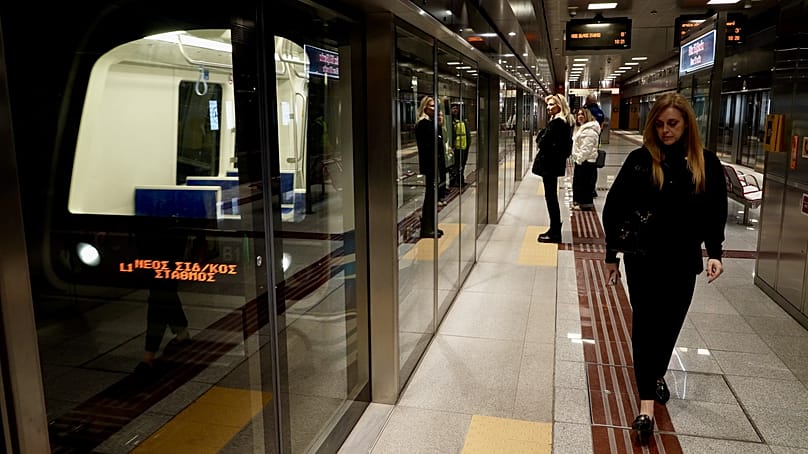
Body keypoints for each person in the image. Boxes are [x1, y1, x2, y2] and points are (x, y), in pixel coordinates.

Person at [602, 93, 727, 445]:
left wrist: (715, 252)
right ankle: (646, 406)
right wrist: (612, 255)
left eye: (672, 123)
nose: (665, 130)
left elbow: (714, 212)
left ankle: (655, 372)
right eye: (659, 124)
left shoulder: (706, 164)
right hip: (643, 259)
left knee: (669, 325)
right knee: (644, 325)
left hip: (683, 261)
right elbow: (614, 209)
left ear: (687, 123)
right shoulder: (640, 161)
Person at [535, 94, 574, 243]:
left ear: (560, 105)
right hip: (554, 164)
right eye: (548, 105)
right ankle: (554, 228)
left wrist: (541, 135)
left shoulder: (557, 123)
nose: (549, 107)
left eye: (552, 104)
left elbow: (541, 142)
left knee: (551, 198)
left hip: (549, 165)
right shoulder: (564, 122)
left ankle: (555, 231)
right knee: (551, 197)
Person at [415, 96, 446, 238]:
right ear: (425, 107)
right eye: (432, 106)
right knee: (430, 196)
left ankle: (431, 225)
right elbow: (428, 147)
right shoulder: (423, 124)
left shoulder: (433, 124)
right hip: (429, 165)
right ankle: (426, 227)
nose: (434, 109)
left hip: (435, 164)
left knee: (433, 196)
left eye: (435, 106)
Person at [571, 108, 601, 211]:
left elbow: (586, 148)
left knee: (584, 184)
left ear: (587, 116)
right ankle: (580, 202)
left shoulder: (589, 131)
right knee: (581, 183)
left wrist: (579, 160)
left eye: (582, 115)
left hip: (586, 162)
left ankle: (585, 204)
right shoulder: (583, 128)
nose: (580, 116)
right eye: (578, 114)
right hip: (583, 161)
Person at [585, 93, 605, 198]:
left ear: (588, 101)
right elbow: (601, 127)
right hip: (596, 142)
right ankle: (592, 188)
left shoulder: (587, 111)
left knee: (585, 166)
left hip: (586, 142)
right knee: (593, 167)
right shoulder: (600, 112)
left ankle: (586, 189)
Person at [449, 102, 471, 188]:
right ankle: (454, 181)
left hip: (464, 145)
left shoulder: (463, 120)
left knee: (462, 164)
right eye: (453, 108)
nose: (455, 110)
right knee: (455, 165)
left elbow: (467, 132)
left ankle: (461, 180)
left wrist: (468, 143)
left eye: (456, 108)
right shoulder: (450, 121)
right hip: (456, 147)